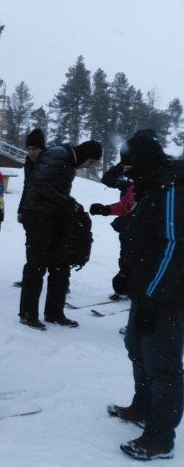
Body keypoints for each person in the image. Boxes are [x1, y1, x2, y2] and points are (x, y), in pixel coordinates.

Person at [107, 131, 184, 461]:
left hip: (168, 298)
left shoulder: (170, 190)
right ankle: (142, 407)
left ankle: (160, 437)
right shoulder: (151, 186)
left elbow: (172, 247)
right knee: (136, 349)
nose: (127, 173)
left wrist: (152, 297)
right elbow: (145, 240)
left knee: (162, 365)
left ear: (144, 162)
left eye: (130, 165)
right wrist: (128, 275)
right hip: (147, 291)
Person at [18, 140, 102, 330]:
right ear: (86, 157)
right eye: (91, 162)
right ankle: (28, 313)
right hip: (38, 217)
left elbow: (53, 188)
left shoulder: (66, 159)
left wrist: (69, 203)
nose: (89, 166)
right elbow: (40, 183)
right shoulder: (58, 155)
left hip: (53, 217)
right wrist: (66, 201)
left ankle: (54, 313)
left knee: (60, 265)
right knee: (36, 266)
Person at [90, 165, 136, 301]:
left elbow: (149, 214)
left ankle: (140, 293)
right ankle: (126, 290)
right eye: (125, 169)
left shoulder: (152, 186)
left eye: (129, 168)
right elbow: (124, 206)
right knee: (125, 260)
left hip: (143, 235)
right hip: (128, 233)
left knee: (139, 262)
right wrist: (105, 210)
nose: (126, 171)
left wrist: (128, 220)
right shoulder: (132, 186)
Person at [14, 128, 47, 289]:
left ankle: (55, 278)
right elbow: (27, 187)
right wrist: (21, 209)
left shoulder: (48, 162)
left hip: (47, 213)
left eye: (35, 149)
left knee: (46, 247)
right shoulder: (29, 163)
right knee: (31, 246)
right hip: (31, 211)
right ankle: (30, 277)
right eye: (29, 149)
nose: (31, 152)